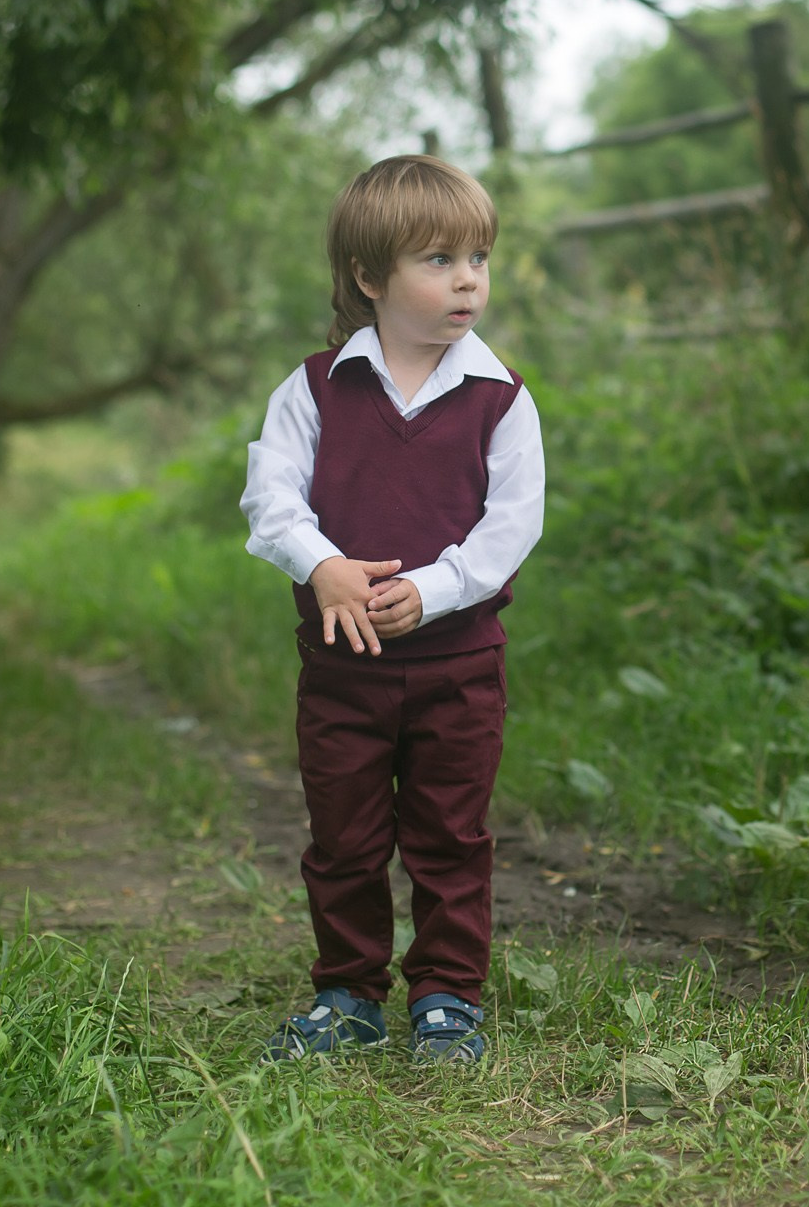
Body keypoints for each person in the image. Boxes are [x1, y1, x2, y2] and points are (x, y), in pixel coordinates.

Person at [239, 154, 545, 1065]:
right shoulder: (314, 389)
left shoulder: (500, 398)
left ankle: (447, 998)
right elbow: (271, 499)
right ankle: (349, 996)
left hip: (459, 669)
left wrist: (434, 590)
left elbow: (511, 525)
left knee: (451, 834)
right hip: (345, 670)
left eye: (478, 258)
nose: (468, 280)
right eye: (439, 260)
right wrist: (324, 566)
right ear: (370, 277)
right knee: (345, 837)